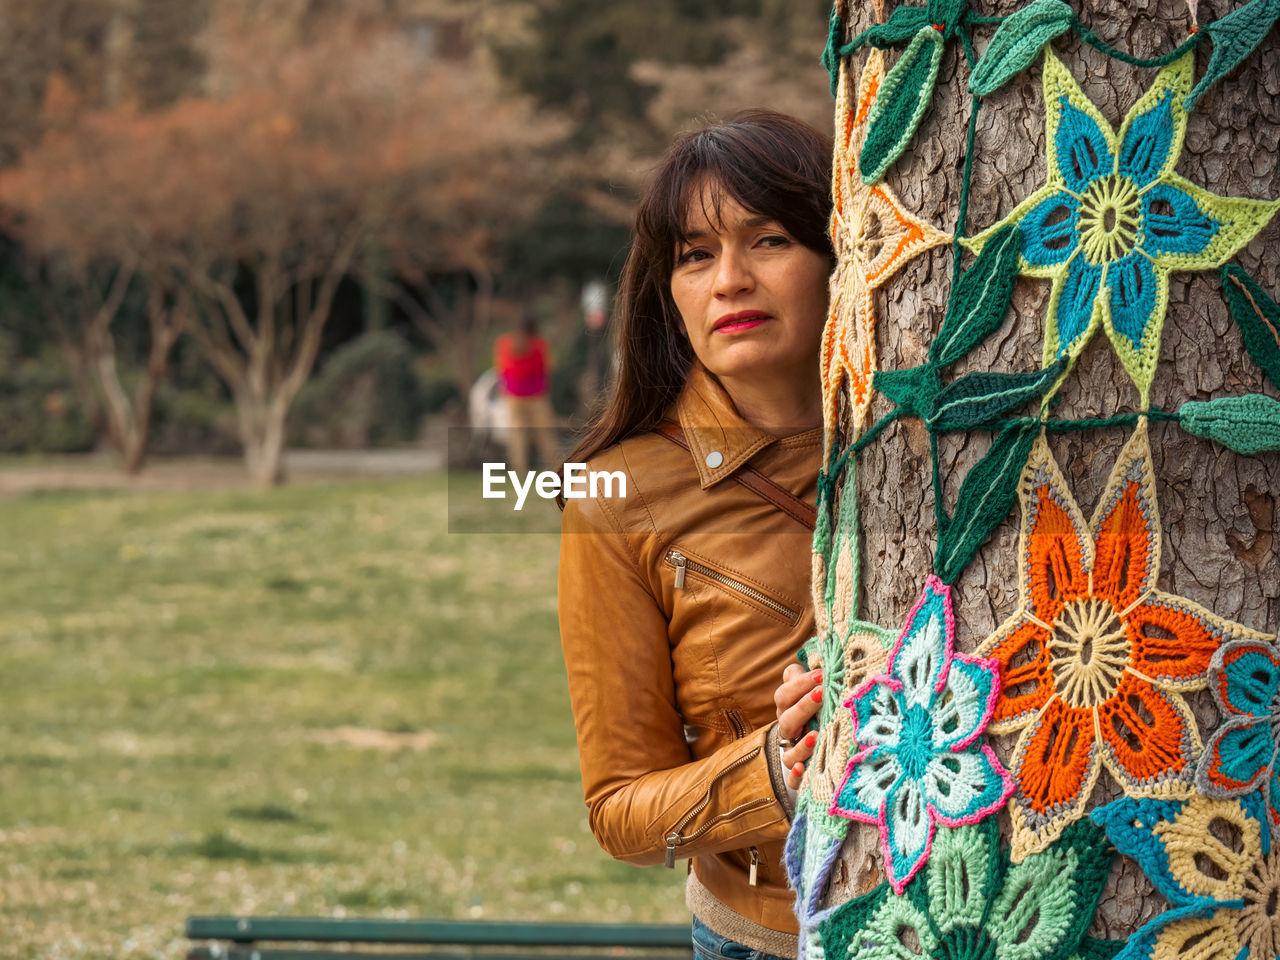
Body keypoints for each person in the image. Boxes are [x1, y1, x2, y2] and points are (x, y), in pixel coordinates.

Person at [557, 110, 833, 960]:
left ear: (842, 251)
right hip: (769, 938)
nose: (730, 281)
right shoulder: (616, 495)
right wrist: (779, 774)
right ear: (668, 291)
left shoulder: (937, 438)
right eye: (696, 255)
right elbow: (620, 812)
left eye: (771, 240)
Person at [494, 312, 558, 471]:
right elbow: (549, 366)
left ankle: (519, 469)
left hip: (513, 396)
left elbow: (500, 367)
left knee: (517, 436)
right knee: (545, 435)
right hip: (537, 396)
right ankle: (557, 466)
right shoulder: (539, 345)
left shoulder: (505, 343)